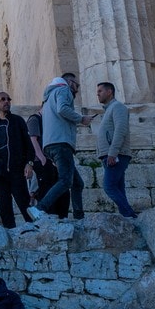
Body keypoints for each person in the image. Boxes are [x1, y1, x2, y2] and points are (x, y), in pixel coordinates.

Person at [0, 93, 41, 229]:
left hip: (17, 170)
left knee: (24, 202)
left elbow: (29, 144)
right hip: (0, 173)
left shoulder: (18, 121)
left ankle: (35, 228)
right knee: (4, 205)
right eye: (2, 99)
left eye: (8, 99)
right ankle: (9, 233)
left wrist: (29, 163)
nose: (6, 102)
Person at [37, 74, 86, 218]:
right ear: (70, 82)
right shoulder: (63, 90)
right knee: (65, 181)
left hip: (50, 145)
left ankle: (79, 216)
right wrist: (81, 119)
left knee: (77, 183)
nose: (76, 90)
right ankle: (40, 208)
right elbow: (62, 109)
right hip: (61, 143)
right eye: (77, 85)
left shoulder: (48, 99)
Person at [92, 81, 135, 219]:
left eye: (100, 91)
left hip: (116, 154)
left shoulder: (118, 107)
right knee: (119, 188)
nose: (97, 94)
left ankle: (130, 215)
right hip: (111, 155)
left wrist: (112, 152)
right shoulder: (109, 110)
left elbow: (120, 130)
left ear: (109, 91)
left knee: (109, 186)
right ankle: (128, 218)